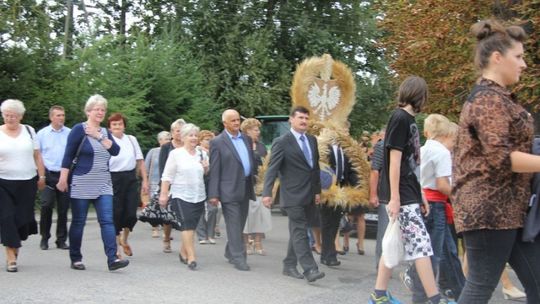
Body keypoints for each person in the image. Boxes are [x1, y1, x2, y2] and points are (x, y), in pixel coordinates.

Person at [452, 19, 540, 303]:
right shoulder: (487, 100)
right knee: (480, 285)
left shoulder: (500, 99)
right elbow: (501, 158)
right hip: (489, 211)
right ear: (497, 58)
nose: (524, 64)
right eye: (519, 57)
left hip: (510, 211)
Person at [369, 76, 451, 304]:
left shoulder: (410, 121)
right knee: (422, 246)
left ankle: (379, 294)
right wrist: (395, 198)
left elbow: (410, 165)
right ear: (420, 95)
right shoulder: (400, 118)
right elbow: (393, 162)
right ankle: (434, 298)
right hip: (402, 196)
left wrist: (421, 193)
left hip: (409, 193)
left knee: (394, 242)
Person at [56, 94, 129, 272]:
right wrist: (63, 178)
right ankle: (76, 258)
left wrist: (98, 136)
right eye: (97, 109)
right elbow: (68, 155)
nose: (100, 112)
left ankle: (112, 258)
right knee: (79, 221)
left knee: (107, 221)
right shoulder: (78, 129)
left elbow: (115, 150)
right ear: (88, 111)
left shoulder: (105, 132)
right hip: (82, 181)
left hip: (103, 182)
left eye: (103, 109)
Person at [262, 106, 325, 283]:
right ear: (291, 119)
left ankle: (289, 265)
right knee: (299, 230)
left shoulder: (312, 140)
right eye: (300, 118)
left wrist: (317, 191)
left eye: (306, 118)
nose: (304, 121)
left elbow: (315, 168)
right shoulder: (282, 141)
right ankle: (310, 269)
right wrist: (267, 193)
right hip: (292, 195)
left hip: (309, 194)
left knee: (298, 230)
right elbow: (272, 169)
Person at [407, 114, 464, 303]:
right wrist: (460, 195)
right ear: (447, 134)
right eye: (454, 140)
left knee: (436, 251)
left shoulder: (423, 149)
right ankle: (423, 294)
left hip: (423, 202)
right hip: (436, 204)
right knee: (434, 255)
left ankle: (457, 291)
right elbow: (442, 185)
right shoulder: (442, 153)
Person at [0, 99, 45, 272]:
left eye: (13, 115)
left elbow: (37, 156)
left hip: (27, 181)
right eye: (6, 115)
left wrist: (42, 175)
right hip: (3, 181)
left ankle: (14, 246)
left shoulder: (29, 131)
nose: (9, 118)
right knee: (6, 217)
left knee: (22, 219)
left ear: (20, 116)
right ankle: (11, 257)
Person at [208, 109, 256, 271]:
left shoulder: (246, 139)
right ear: (225, 124)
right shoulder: (217, 142)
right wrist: (213, 194)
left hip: (245, 188)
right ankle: (239, 257)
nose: (236, 123)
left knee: (239, 224)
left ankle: (230, 251)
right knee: (234, 225)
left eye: (238, 120)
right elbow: (215, 169)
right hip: (228, 189)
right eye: (233, 120)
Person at [160, 123, 209, 270]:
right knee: (186, 225)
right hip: (181, 195)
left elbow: (205, 173)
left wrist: (206, 167)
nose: (193, 138)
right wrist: (163, 194)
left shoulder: (203, 153)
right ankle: (192, 257)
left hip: (199, 195)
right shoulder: (176, 154)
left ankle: (183, 252)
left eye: (195, 135)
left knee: (191, 227)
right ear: (183, 137)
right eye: (190, 135)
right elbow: (167, 176)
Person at [108, 113, 149, 258]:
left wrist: (145, 180)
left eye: (120, 124)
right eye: (114, 124)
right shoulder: (106, 140)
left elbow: (140, 160)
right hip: (113, 179)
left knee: (131, 213)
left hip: (130, 178)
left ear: (124, 125)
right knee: (115, 213)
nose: (117, 127)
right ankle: (116, 250)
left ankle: (124, 240)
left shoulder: (131, 140)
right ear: (110, 127)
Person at [320, 134, 358, 267]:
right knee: (327, 223)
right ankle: (327, 255)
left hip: (342, 188)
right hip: (329, 189)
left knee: (335, 223)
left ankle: (330, 254)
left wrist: (356, 187)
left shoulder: (345, 149)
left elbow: (351, 170)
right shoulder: (325, 148)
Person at [37, 105, 71, 250]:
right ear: (51, 117)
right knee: (46, 206)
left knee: (63, 209)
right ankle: (44, 238)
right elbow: (37, 156)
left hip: (64, 175)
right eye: (58, 115)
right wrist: (41, 176)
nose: (61, 118)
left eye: (63, 115)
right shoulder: (42, 134)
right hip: (48, 174)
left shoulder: (69, 133)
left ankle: (61, 239)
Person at [241, 118, 271, 255]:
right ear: (247, 131)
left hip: (260, 185)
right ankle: (246, 243)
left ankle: (258, 242)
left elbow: (266, 165)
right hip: (245, 184)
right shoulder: (241, 144)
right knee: (246, 215)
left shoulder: (261, 146)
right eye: (255, 129)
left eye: (258, 129)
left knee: (261, 214)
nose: (258, 132)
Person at [158, 118, 186, 253]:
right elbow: (163, 167)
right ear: (172, 132)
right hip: (170, 184)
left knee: (185, 216)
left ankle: (185, 245)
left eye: (182, 131)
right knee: (168, 216)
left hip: (185, 185)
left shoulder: (189, 146)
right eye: (177, 131)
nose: (180, 133)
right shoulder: (166, 147)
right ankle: (166, 238)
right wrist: (166, 187)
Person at [144, 131, 171, 238]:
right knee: (155, 206)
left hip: (167, 182)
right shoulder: (153, 152)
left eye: (169, 139)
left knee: (165, 207)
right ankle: (155, 229)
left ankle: (166, 231)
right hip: (154, 182)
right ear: (160, 140)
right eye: (166, 139)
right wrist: (145, 182)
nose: (168, 141)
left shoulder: (172, 151)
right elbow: (145, 167)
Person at [369, 128, 387, 270]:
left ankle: (387, 263)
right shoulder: (381, 146)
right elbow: (375, 171)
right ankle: (381, 264)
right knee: (384, 231)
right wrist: (373, 194)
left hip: (401, 195)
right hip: (385, 195)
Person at [196, 130, 218, 245]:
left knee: (213, 209)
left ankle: (210, 233)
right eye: (207, 140)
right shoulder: (197, 152)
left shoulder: (214, 152)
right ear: (200, 140)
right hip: (200, 182)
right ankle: (201, 235)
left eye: (211, 139)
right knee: (199, 209)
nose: (209, 142)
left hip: (212, 183)